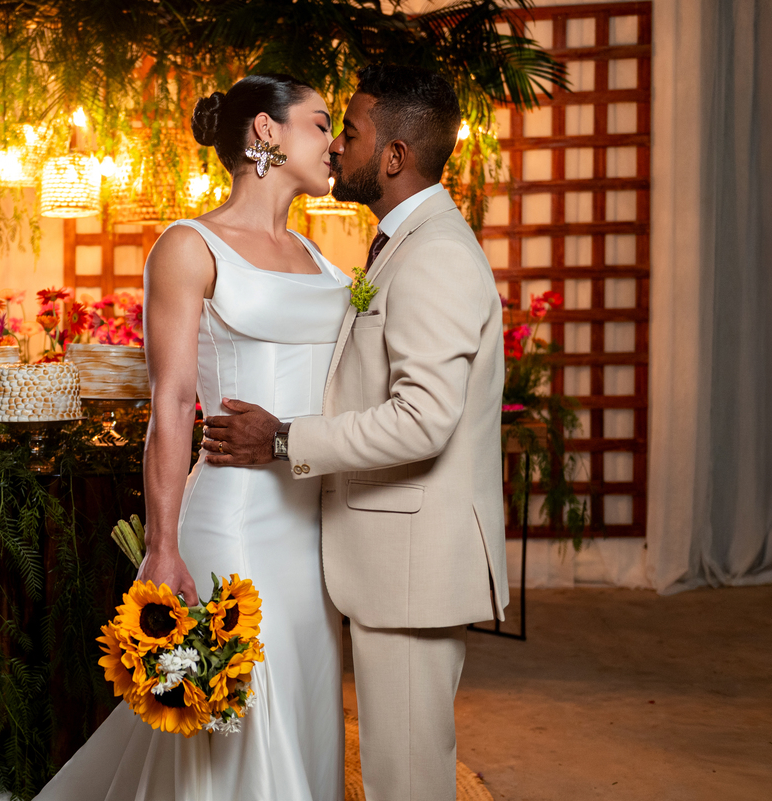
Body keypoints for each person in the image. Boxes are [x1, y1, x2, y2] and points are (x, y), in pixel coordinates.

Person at [0, 73, 349, 801]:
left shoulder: (323, 260)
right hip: (236, 523)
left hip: (313, 529)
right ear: (266, 131)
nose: (336, 141)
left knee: (303, 705)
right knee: (236, 721)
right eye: (321, 124)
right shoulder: (188, 246)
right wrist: (162, 546)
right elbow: (170, 406)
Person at [201, 63, 509, 801]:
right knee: (396, 771)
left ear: (396, 156)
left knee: (407, 781)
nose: (338, 145)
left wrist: (283, 439)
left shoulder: (434, 254)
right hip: (394, 563)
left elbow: (423, 419)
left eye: (354, 130)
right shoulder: (401, 243)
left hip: (414, 568)